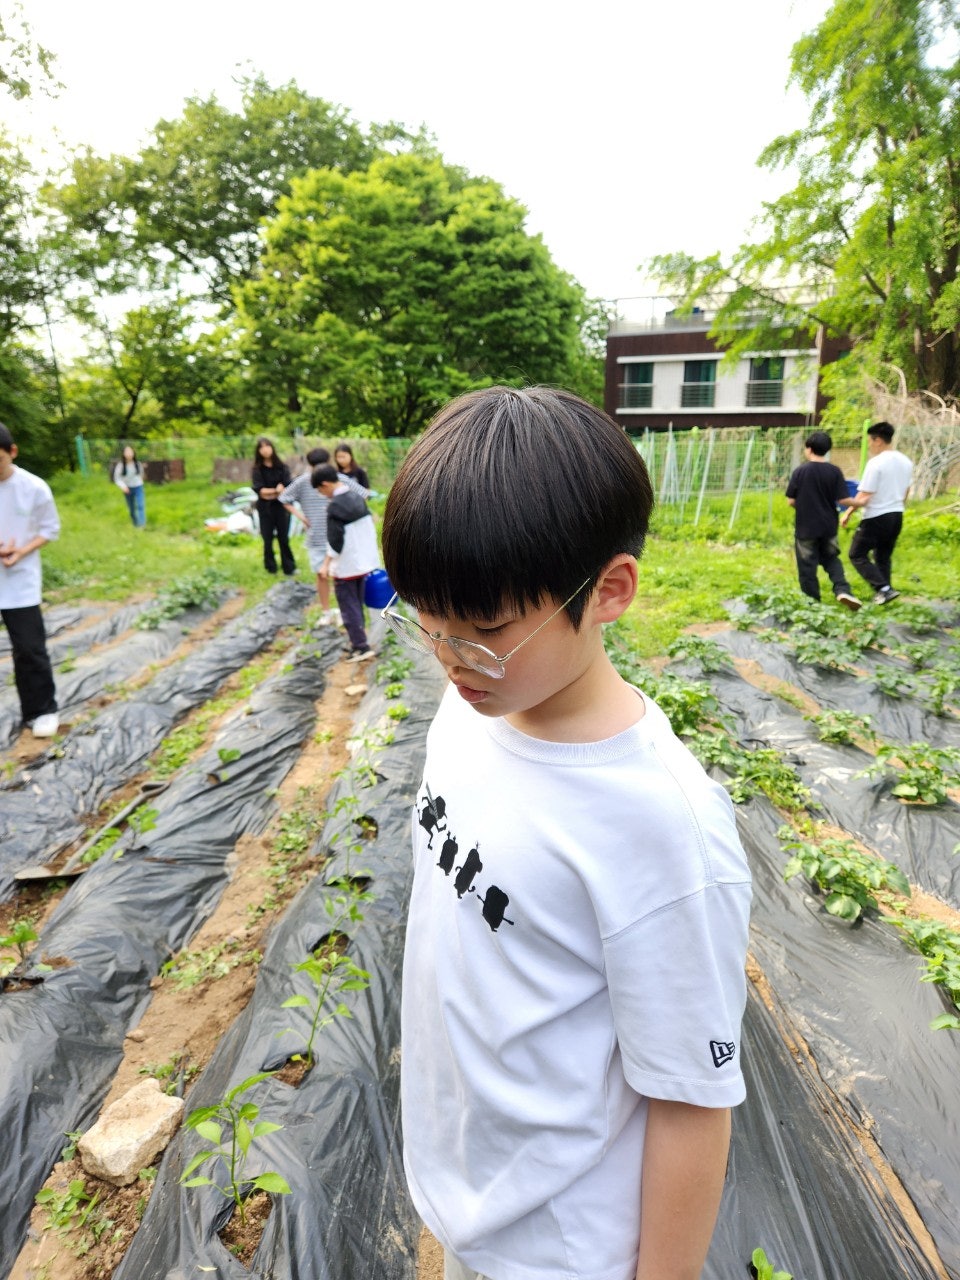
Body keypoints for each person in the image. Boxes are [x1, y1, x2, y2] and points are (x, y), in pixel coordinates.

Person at [380, 386, 751, 1280]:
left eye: (487, 630)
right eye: (427, 622)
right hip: (466, 1189)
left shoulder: (661, 830)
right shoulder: (475, 705)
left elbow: (692, 1103)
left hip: (561, 1248)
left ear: (610, 590)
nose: (450, 657)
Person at [0, 422, 61, 737]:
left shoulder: (34, 488)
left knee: (29, 648)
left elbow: (50, 529)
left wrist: (20, 551)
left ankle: (41, 711)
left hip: (19, 581)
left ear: (12, 452)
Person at [280, 447, 369, 625]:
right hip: (318, 537)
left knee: (344, 578)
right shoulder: (303, 482)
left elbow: (363, 495)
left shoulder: (338, 480)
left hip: (340, 538)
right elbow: (284, 498)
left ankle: (348, 613)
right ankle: (327, 611)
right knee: (322, 575)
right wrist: (302, 518)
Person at [785, 429, 860, 609]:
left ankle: (813, 604)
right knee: (831, 558)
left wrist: (804, 505)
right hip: (828, 525)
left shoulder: (800, 471)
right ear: (827, 450)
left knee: (807, 566)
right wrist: (861, 503)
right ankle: (843, 590)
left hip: (806, 527)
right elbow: (842, 499)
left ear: (809, 449)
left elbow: (791, 501)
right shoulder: (834, 471)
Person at [840, 421, 914, 604]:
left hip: (877, 515)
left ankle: (883, 588)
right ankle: (885, 592)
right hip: (897, 514)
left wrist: (848, 511)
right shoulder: (906, 461)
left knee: (856, 554)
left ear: (878, 440)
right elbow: (906, 491)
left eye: (870, 442)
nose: (870, 446)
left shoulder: (876, 463)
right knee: (883, 555)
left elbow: (864, 496)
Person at [312, 463, 380, 661]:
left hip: (346, 566)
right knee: (357, 604)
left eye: (319, 489)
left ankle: (360, 646)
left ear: (325, 484)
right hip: (364, 563)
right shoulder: (357, 497)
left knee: (348, 608)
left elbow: (335, 542)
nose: (321, 493)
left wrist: (325, 564)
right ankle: (360, 640)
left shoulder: (335, 506)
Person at [251, 436, 296, 576]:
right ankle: (270, 567)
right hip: (265, 508)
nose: (265, 450)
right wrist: (276, 491)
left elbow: (288, 487)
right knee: (267, 538)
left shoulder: (282, 467)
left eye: (267, 446)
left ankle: (289, 567)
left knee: (284, 537)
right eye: (262, 447)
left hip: (282, 507)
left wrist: (272, 492)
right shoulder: (257, 469)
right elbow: (261, 491)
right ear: (258, 451)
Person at [113, 444, 146, 527]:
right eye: (127, 452)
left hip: (138, 487)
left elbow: (141, 474)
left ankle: (142, 525)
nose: (129, 453)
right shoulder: (120, 466)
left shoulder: (137, 464)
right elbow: (117, 478)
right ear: (123, 454)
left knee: (140, 505)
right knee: (132, 508)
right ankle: (135, 523)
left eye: (130, 451)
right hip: (128, 489)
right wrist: (123, 486)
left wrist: (140, 482)